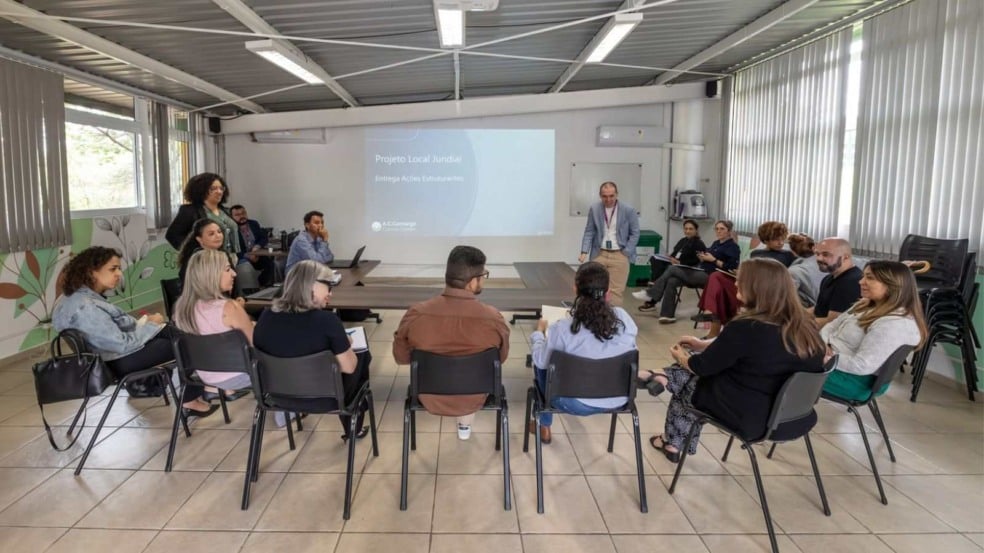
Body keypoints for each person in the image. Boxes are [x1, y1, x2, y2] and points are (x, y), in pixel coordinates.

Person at [638, 258, 825, 463]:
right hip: (793, 418)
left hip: (753, 419)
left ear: (756, 286)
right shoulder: (807, 328)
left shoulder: (748, 327)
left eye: (741, 279)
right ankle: (661, 381)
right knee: (698, 368)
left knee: (690, 382)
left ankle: (663, 389)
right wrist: (703, 345)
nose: (735, 283)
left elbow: (701, 367)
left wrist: (681, 356)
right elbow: (754, 352)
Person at [52, 246, 216, 418]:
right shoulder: (86, 306)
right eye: (113, 269)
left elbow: (111, 334)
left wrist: (149, 324)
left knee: (175, 332)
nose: (119, 274)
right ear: (92, 272)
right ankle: (194, 395)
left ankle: (201, 382)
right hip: (116, 362)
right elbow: (121, 344)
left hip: (113, 357)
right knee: (185, 343)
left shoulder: (74, 298)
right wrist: (150, 326)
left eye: (119, 269)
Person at [393, 245, 510, 441]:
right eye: (483, 275)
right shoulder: (493, 318)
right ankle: (465, 424)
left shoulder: (416, 313)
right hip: (476, 395)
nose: (483, 279)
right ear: (472, 282)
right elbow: (501, 358)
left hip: (427, 394)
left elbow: (401, 358)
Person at [253, 260, 372, 439]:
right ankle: (352, 428)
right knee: (362, 356)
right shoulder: (327, 321)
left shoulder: (265, 317)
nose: (330, 293)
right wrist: (344, 343)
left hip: (276, 397)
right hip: (325, 399)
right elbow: (349, 367)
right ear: (310, 284)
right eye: (328, 286)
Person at [529, 262, 638, 444]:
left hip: (573, 402)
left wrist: (538, 333)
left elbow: (540, 361)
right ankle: (544, 424)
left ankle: (544, 424)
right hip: (619, 397)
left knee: (543, 364)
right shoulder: (624, 319)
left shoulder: (563, 328)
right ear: (608, 291)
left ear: (575, 289)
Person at [821, 261, 927, 401]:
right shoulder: (865, 304)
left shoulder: (894, 324)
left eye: (869, 278)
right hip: (834, 364)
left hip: (853, 381)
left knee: (786, 363)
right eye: (864, 276)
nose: (860, 282)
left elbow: (861, 365)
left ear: (892, 285)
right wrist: (823, 344)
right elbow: (831, 326)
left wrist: (826, 357)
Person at [172, 249, 254, 396]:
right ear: (211, 274)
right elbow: (254, 344)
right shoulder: (230, 307)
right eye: (228, 269)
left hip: (206, 375)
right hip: (242, 374)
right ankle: (285, 410)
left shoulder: (181, 310)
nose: (234, 274)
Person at [698, 221, 792, 338]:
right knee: (717, 277)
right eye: (776, 239)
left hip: (765, 293)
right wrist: (741, 273)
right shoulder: (756, 253)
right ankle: (712, 321)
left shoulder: (788, 256)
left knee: (720, 292)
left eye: (782, 239)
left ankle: (712, 323)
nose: (781, 242)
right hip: (749, 286)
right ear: (766, 239)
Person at [634, 219, 740, 323]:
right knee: (672, 280)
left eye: (722, 229)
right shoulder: (716, 243)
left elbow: (731, 268)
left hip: (712, 277)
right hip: (700, 270)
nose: (718, 231)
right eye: (716, 229)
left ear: (729, 231)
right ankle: (667, 315)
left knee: (672, 268)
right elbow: (706, 257)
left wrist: (714, 260)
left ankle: (651, 294)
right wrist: (703, 257)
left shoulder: (733, 247)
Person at [578, 182, 640, 306]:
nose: (608, 199)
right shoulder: (594, 208)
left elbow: (635, 233)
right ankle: (594, 318)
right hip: (599, 253)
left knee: (615, 292)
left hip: (619, 254)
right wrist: (584, 251)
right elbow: (589, 230)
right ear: (600, 196)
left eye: (611, 196)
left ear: (617, 194)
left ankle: (613, 321)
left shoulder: (628, 210)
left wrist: (626, 252)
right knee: (594, 289)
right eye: (605, 196)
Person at [812, 238, 862, 328]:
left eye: (826, 254)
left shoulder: (850, 283)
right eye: (817, 254)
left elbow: (833, 323)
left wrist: (796, 323)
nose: (819, 258)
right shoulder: (828, 278)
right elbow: (819, 310)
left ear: (845, 257)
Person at [230, 204, 274, 286]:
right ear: (231, 217)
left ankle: (266, 287)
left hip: (257, 254)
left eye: (243, 213)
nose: (242, 216)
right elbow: (233, 249)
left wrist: (257, 246)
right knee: (246, 266)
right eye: (237, 215)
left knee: (271, 263)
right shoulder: (232, 229)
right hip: (242, 257)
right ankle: (253, 290)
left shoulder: (253, 223)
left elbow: (263, 238)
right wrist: (248, 256)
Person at [787, 233, 826, 307]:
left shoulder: (794, 271)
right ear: (814, 247)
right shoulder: (828, 264)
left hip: (812, 311)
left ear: (793, 252)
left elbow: (784, 296)